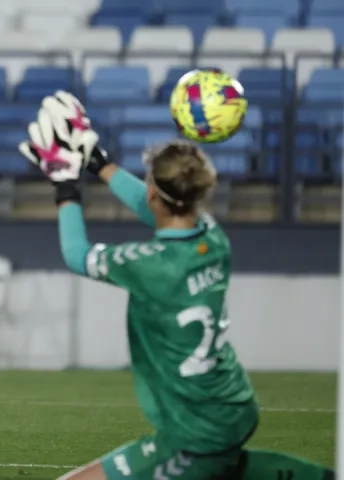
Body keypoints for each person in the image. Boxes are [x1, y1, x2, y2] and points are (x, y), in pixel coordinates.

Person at [18, 91, 334, 480]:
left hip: (195, 430)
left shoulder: (149, 266)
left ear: (154, 191)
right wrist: (96, 160)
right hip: (233, 404)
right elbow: (154, 206)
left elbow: (76, 254)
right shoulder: (213, 239)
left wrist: (64, 182)